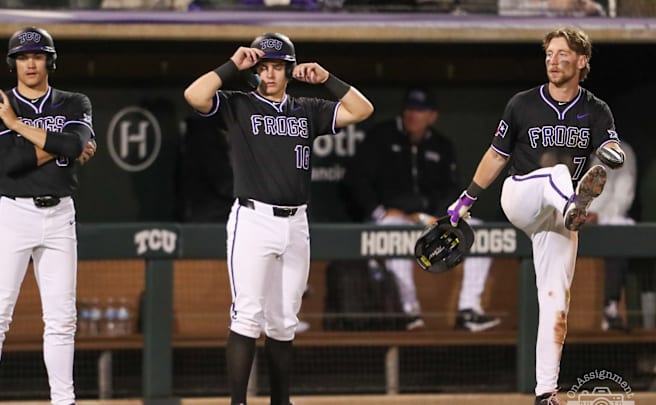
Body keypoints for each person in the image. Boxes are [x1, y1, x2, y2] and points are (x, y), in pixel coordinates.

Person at [183, 32, 373, 405]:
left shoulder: (307, 108)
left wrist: (327, 79)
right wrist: (232, 66)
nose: (270, 75)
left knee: (284, 321)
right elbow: (194, 95)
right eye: (263, 68)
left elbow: (363, 109)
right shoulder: (240, 105)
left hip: (296, 223)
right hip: (254, 220)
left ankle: (280, 401)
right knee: (247, 316)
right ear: (254, 72)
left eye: (277, 68)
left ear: (289, 71)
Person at [446, 27, 625, 405]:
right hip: (523, 195)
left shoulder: (595, 109)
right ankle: (574, 206)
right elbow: (496, 155)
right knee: (557, 174)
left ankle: (545, 392)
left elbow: (610, 143)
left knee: (556, 302)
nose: (553, 61)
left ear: (582, 61)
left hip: (559, 216)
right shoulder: (523, 103)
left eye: (562, 54)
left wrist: (611, 151)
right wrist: (467, 198)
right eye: (548, 54)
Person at [0, 26, 96, 405]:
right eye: (23, 58)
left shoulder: (74, 102)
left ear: (49, 61)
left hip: (59, 215)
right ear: (14, 63)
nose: (30, 64)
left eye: (37, 56)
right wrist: (62, 149)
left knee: (61, 318)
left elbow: (74, 144)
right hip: (14, 214)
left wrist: (17, 126)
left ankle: (63, 400)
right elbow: (10, 163)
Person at [343, 87, 501, 332]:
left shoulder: (441, 145)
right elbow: (356, 179)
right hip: (392, 218)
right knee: (392, 232)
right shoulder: (380, 138)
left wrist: (438, 216)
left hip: (430, 219)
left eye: (420, 110)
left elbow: (452, 188)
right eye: (409, 108)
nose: (412, 115)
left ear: (432, 115)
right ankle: (409, 312)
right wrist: (380, 212)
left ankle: (468, 310)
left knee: (478, 232)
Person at [584, 141, 636, 331]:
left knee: (620, 228)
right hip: (570, 219)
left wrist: (599, 215)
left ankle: (610, 307)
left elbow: (624, 197)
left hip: (604, 220)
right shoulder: (567, 148)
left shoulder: (621, 151)